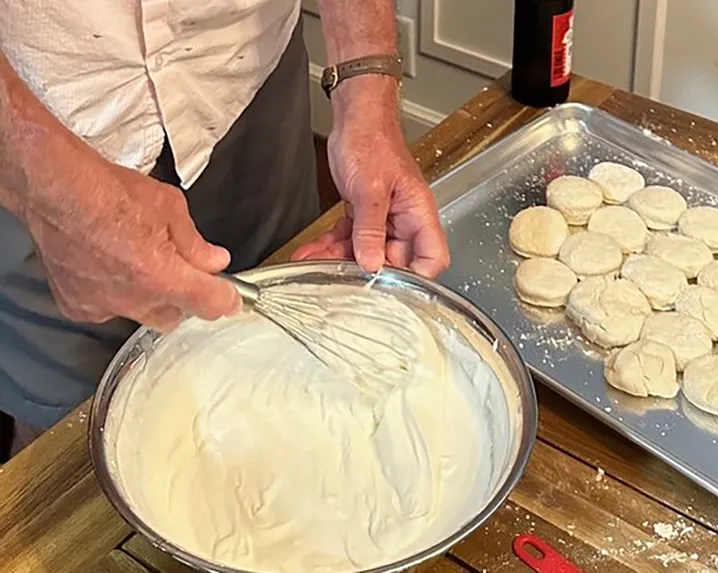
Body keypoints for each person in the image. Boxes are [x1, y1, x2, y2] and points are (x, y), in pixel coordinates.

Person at [0, 1, 450, 459]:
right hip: (29, 129)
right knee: (66, 449)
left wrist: (367, 89)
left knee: (288, 363)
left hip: (242, 77)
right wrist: (41, 183)